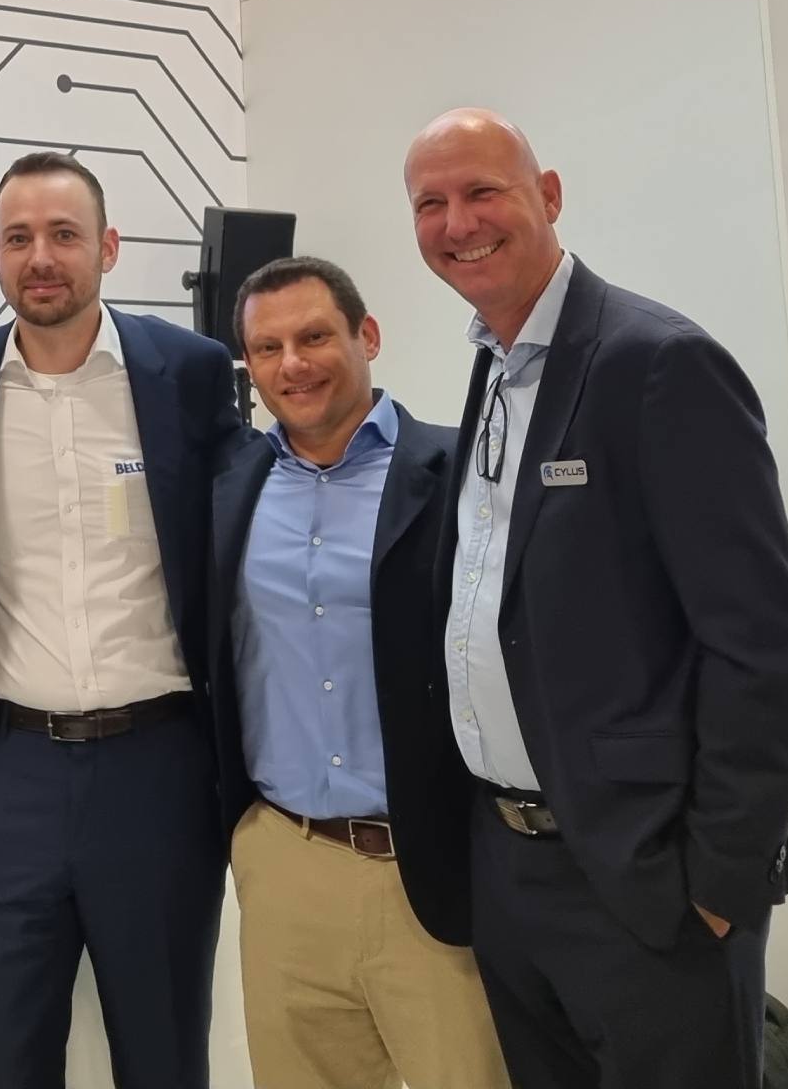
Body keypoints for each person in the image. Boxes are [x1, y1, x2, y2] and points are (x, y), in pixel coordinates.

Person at [399, 109, 788, 1089]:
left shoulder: (657, 363)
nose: (458, 223)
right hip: (510, 873)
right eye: (430, 203)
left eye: (482, 191)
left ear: (548, 196)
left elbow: (759, 644)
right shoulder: (493, 364)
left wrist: (718, 881)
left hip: (643, 881)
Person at [0, 151, 242, 1089]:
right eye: (18, 238)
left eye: (64, 235)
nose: (41, 258)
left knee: (164, 1054)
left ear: (108, 247)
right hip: (0, 776)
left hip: (158, 769)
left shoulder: (189, 373)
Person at [207, 257, 506, 1089]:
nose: (292, 365)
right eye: (268, 349)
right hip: (285, 862)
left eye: (314, 337)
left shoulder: (462, 474)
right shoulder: (230, 486)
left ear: (366, 336)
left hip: (430, 870)